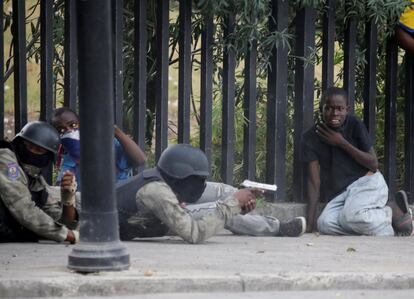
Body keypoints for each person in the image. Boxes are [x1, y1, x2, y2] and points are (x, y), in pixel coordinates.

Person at [116, 143, 306, 243]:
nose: (201, 184)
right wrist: (232, 205)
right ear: (182, 177)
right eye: (196, 179)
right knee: (225, 211)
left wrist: (240, 199)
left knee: (227, 192)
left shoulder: (164, 178)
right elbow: (194, 233)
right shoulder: (156, 192)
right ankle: (278, 228)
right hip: (161, 220)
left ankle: (254, 219)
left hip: (162, 207)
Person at [302, 87, 413, 236]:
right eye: (328, 108)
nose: (334, 113)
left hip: (367, 183)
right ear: (321, 109)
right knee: (324, 224)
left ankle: (391, 209)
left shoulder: (354, 124)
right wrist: (310, 223)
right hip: (343, 194)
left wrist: (342, 143)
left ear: (347, 109)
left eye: (340, 109)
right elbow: (314, 182)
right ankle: (386, 229)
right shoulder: (310, 138)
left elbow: (373, 164)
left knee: (350, 217)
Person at [0, 121, 78, 243]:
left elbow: (60, 222)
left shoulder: (35, 179)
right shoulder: (6, 159)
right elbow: (22, 207)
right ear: (19, 142)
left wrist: (68, 199)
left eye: (38, 150)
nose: (31, 151)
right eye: (28, 145)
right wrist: (68, 235)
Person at [51, 107, 147, 190]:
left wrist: (115, 131)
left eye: (73, 125)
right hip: (88, 205)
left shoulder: (109, 144)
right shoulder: (70, 158)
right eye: (61, 130)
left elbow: (141, 159)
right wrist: (65, 185)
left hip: (121, 198)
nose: (70, 131)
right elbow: (60, 188)